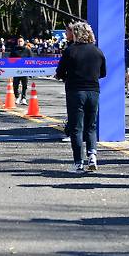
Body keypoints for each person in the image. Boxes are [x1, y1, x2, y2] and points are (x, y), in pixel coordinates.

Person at [55, 22, 106, 173]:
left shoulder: (70, 51)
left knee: (76, 128)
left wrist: (65, 76)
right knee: (91, 126)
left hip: (75, 91)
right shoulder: (97, 51)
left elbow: (60, 72)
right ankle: (92, 155)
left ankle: (78, 163)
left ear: (76, 34)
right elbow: (103, 73)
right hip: (93, 91)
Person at [9, 36, 32, 105]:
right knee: (15, 85)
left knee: (24, 85)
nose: (20, 42)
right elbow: (10, 59)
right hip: (16, 70)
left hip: (24, 70)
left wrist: (31, 71)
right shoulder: (14, 50)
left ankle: (24, 98)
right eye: (19, 41)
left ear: (24, 42)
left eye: (21, 41)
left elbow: (31, 60)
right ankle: (17, 97)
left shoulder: (27, 50)